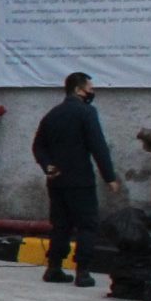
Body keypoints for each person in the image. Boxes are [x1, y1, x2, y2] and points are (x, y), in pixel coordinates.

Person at [34, 71, 119, 287]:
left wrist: (48, 166)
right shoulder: (86, 113)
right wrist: (110, 177)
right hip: (80, 181)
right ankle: (83, 272)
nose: (92, 91)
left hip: (56, 181)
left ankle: (54, 268)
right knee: (87, 226)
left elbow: (38, 146)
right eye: (90, 87)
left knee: (60, 225)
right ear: (79, 90)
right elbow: (97, 146)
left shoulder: (53, 114)